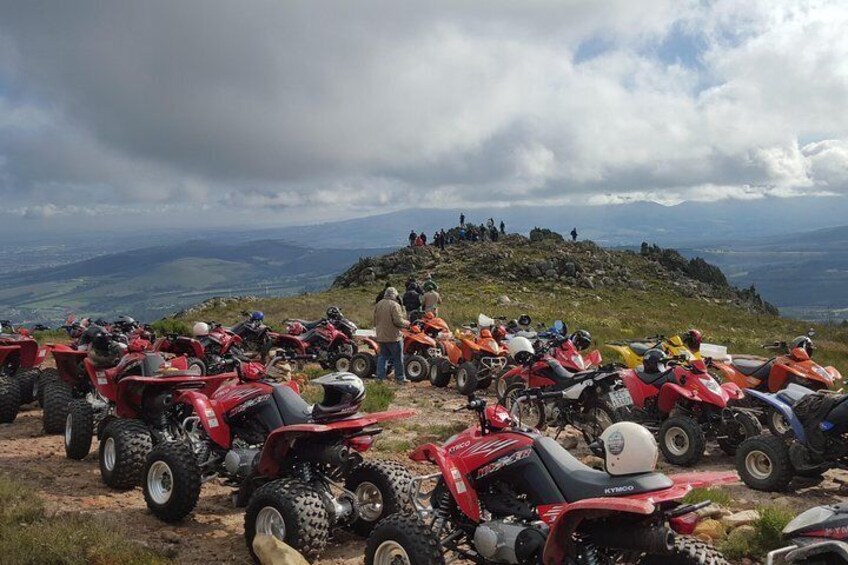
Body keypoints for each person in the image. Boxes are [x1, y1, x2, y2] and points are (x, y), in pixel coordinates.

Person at [374, 287, 409, 383]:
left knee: (383, 357)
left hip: (381, 335)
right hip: (394, 336)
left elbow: (375, 320)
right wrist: (406, 323)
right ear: (394, 295)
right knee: (398, 358)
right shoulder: (395, 305)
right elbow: (398, 321)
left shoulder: (378, 304)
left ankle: (379, 378)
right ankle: (400, 378)